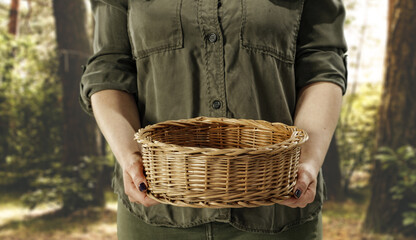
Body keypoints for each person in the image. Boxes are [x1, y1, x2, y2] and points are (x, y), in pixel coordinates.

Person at [80, 0, 347, 239]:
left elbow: (322, 64)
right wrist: (129, 157)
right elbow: (108, 68)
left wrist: (307, 162)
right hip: (154, 214)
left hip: (278, 213)